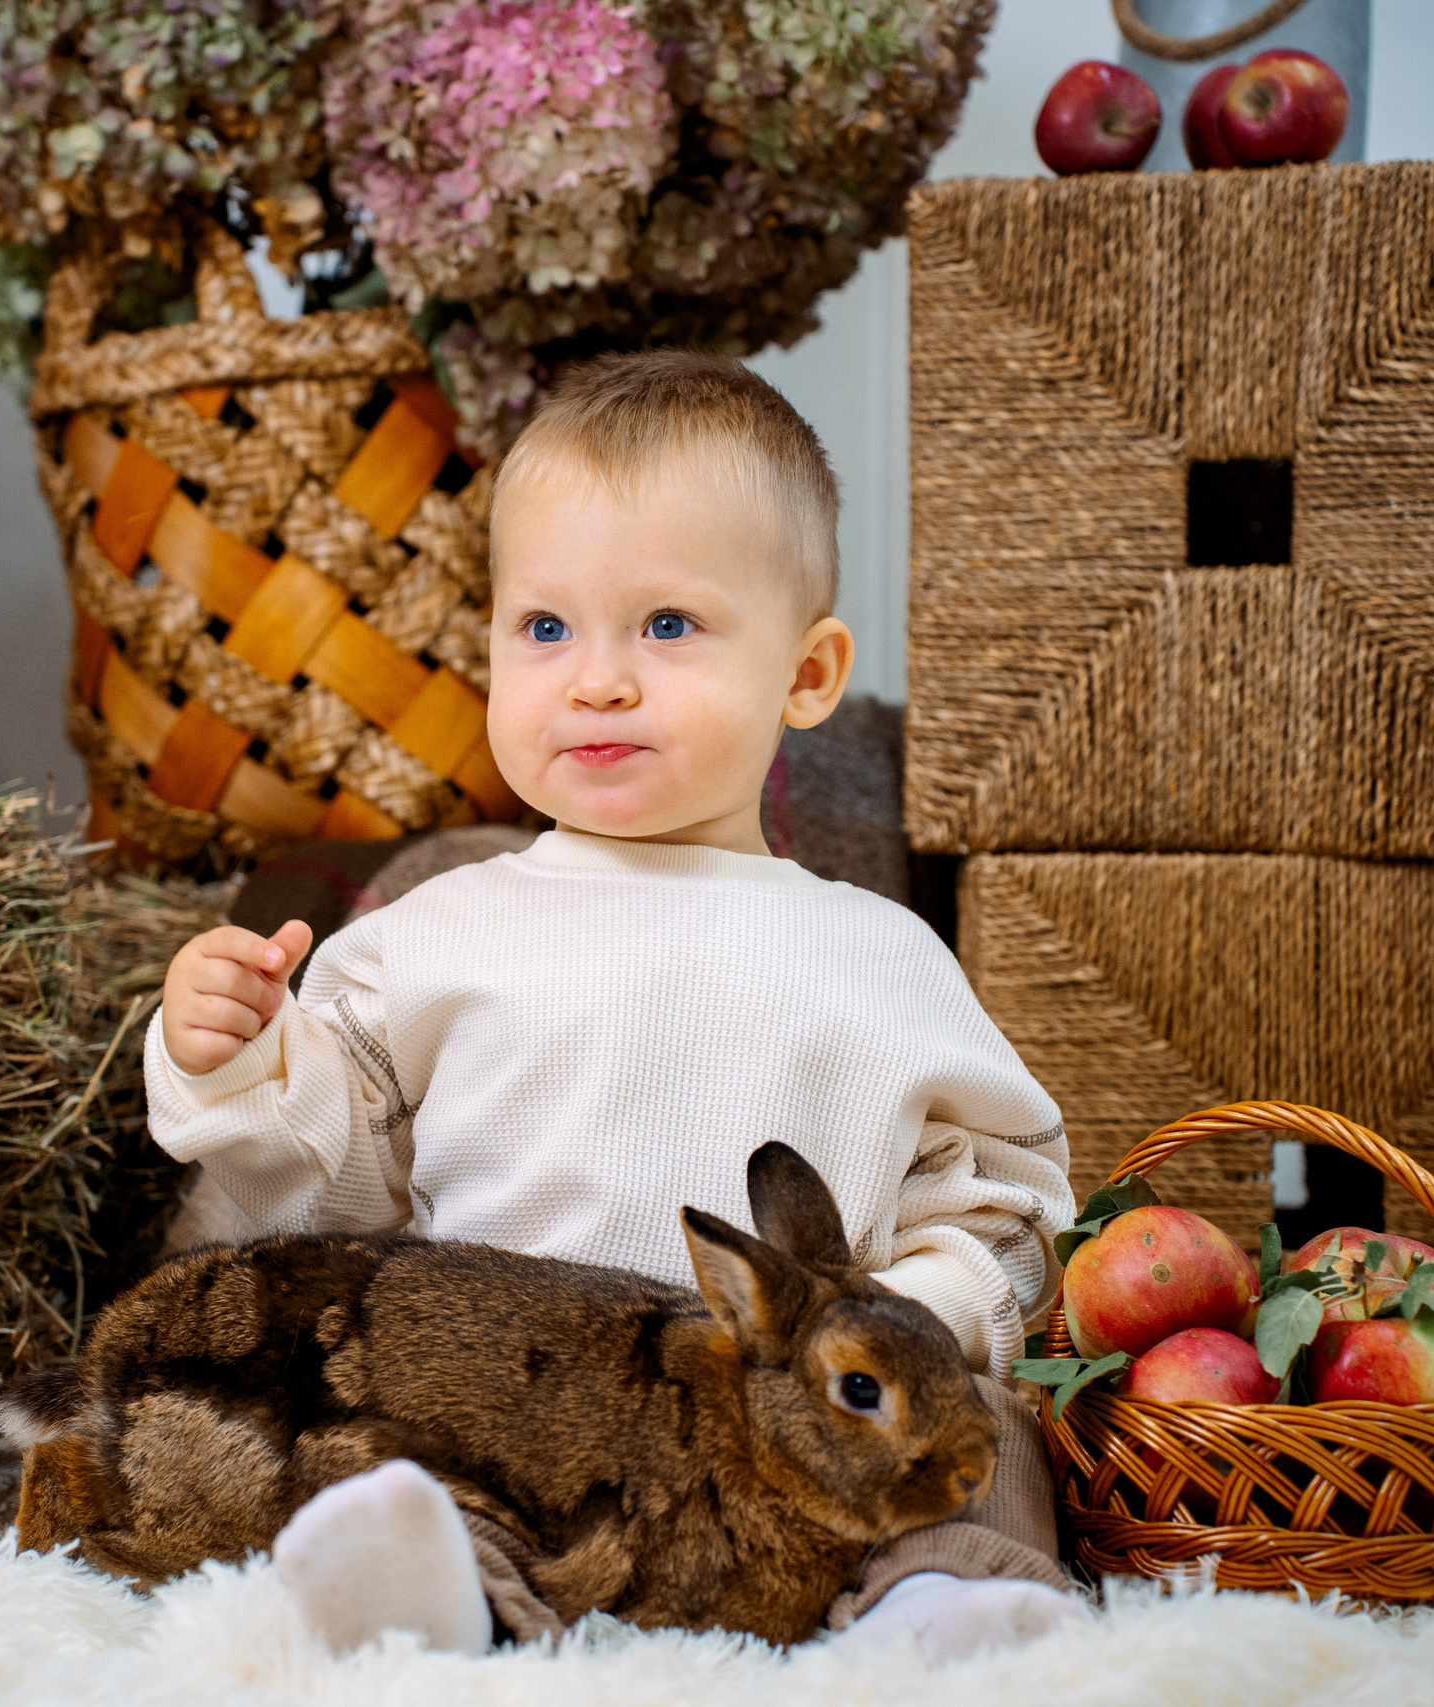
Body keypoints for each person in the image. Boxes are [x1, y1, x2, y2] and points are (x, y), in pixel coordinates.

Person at [149, 350, 1082, 1660]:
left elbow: (999, 1198)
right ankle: (444, 1597)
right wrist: (244, 1064)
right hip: (520, 1423)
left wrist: (924, 1309)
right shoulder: (426, 943)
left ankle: (940, 1604)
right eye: (545, 629)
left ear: (807, 675)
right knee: (380, 1444)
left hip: (804, 1451)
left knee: (991, 1433)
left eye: (667, 626)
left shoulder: (881, 957)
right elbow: (330, 1204)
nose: (596, 680)